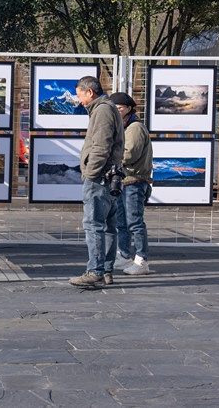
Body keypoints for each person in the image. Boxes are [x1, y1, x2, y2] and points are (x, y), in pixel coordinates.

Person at [69, 76, 125, 288]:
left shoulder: (101, 110)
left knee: (94, 226)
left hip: (99, 178)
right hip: (110, 176)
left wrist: (91, 174)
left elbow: (101, 146)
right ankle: (106, 270)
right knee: (109, 226)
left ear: (90, 92)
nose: (79, 101)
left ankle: (95, 272)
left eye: (80, 95)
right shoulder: (108, 108)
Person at [109, 92, 152, 275]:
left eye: (119, 108)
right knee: (122, 223)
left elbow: (129, 154)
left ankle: (142, 260)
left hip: (134, 181)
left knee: (135, 222)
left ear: (128, 109)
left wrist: (108, 156)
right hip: (125, 181)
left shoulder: (135, 128)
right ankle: (125, 256)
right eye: (114, 109)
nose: (116, 112)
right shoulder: (126, 127)